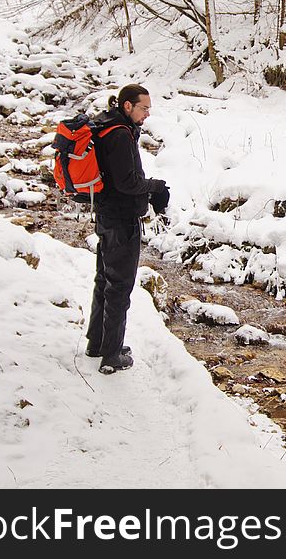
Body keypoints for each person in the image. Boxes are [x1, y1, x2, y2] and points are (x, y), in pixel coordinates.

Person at [84, 84, 170, 375]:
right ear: (127, 105)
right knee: (119, 286)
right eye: (144, 108)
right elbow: (127, 183)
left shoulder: (109, 124)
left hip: (106, 214)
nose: (147, 114)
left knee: (104, 280)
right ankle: (111, 355)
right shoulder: (120, 134)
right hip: (121, 219)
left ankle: (98, 343)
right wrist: (155, 186)